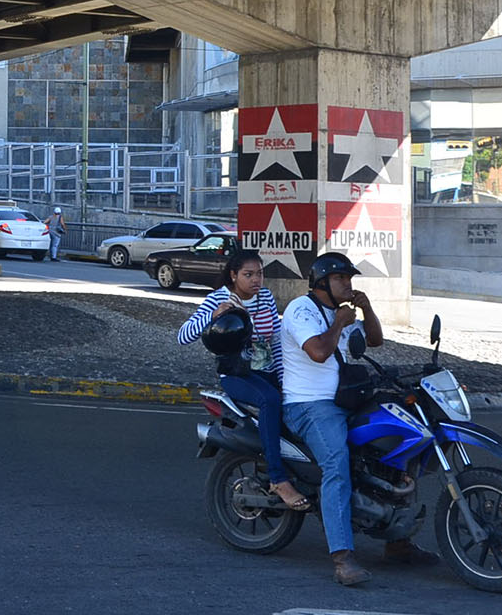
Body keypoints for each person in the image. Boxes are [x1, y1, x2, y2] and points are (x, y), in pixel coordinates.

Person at [280, 252, 435, 586]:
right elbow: (319, 353)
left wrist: (367, 309)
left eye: (350, 279)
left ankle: (398, 542)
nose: (348, 285)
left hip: (350, 398)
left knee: (398, 447)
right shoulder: (301, 310)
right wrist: (339, 321)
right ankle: (342, 558)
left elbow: (375, 340)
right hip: (310, 405)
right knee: (336, 463)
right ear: (322, 283)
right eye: (341, 279)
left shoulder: (345, 314)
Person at [177, 248, 310, 513]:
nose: (256, 280)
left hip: (267, 371)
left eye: (259, 274)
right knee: (270, 401)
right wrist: (214, 316)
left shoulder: (266, 299)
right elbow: (183, 336)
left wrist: (284, 379)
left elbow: (275, 340)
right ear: (234, 275)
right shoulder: (218, 299)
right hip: (237, 374)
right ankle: (277, 479)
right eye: (248, 275)